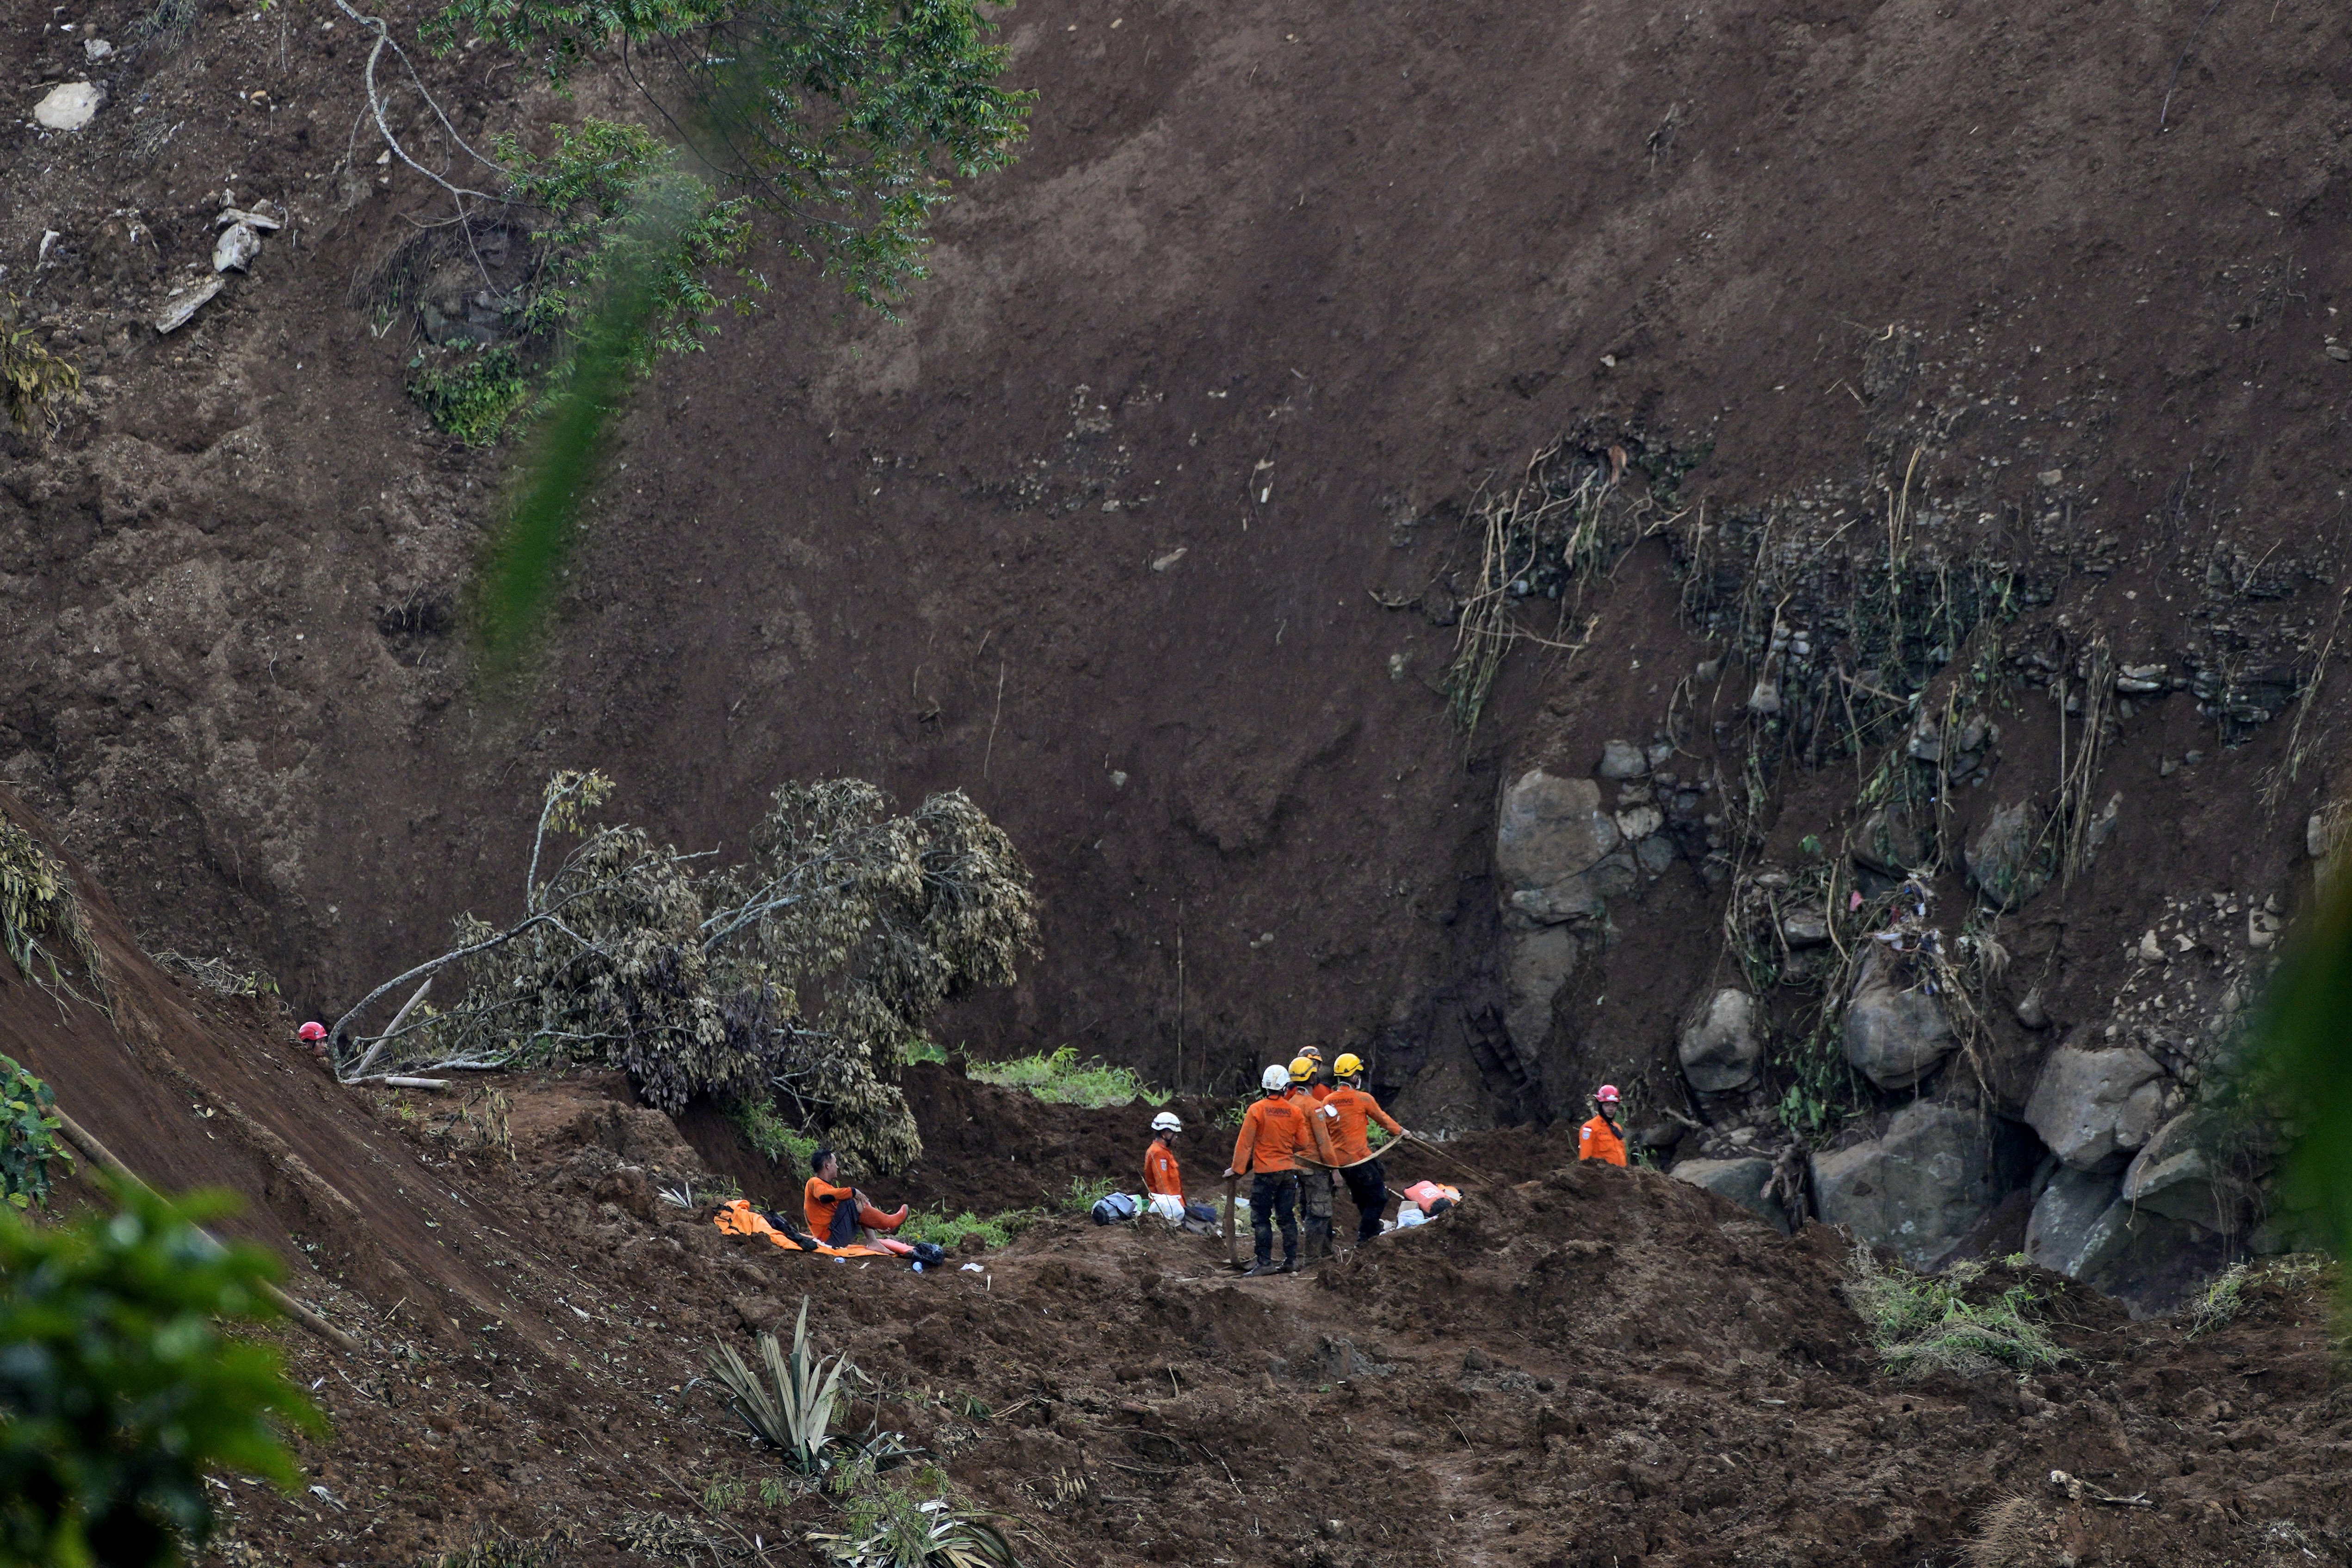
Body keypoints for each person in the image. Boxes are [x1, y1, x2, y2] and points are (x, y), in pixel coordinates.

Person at [1225, 1062, 1338, 1276]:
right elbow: (1303, 1143)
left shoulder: (1256, 1109)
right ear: (1287, 1087)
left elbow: (1245, 1143)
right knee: (1286, 1217)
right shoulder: (1294, 1112)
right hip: (1288, 1171)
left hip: (1266, 1173)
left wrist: (1237, 1169)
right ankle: (1291, 1261)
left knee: (1261, 1217)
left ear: (1265, 1087)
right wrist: (1285, 1148)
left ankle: (1265, 1263)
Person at [1316, 1053, 1412, 1245]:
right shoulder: (1363, 1099)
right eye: (1358, 1074)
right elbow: (1383, 1119)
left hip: (1341, 1164)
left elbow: (1322, 1134)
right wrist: (1403, 1132)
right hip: (1360, 1160)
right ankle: (1365, 1237)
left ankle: (1373, 1230)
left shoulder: (1327, 1101)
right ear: (1353, 1077)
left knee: (1362, 1198)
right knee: (1378, 1198)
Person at [1285, 1056, 1342, 1261]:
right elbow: (1324, 1142)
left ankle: (1326, 1252)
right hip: (1315, 1167)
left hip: (1296, 1166)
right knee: (1320, 1211)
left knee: (1308, 1207)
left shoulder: (1291, 1103)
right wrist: (1335, 1170)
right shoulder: (1314, 1106)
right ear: (1311, 1077)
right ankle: (1312, 1258)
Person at [803, 1148, 908, 1247]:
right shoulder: (814, 1182)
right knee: (851, 1200)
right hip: (829, 1239)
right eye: (835, 1163)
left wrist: (875, 1226)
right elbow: (823, 1196)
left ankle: (874, 1240)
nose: (837, 1167)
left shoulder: (827, 1186)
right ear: (827, 1166)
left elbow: (847, 1214)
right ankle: (887, 1223)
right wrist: (853, 1191)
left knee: (854, 1203)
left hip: (833, 1237)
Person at [1143, 1110, 1186, 1222]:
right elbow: (1162, 1185)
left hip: (1173, 1207)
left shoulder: (1163, 1151)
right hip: (1167, 1210)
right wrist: (1171, 1211)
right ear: (1165, 1134)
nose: (1176, 1137)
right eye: (1174, 1134)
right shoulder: (1158, 1153)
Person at [1578, 1085, 1629, 1167]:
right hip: (1602, 1177)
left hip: (1621, 1176)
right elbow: (1585, 1162)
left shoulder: (1617, 1128)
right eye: (1607, 1105)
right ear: (1600, 1106)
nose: (1611, 1109)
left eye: (1614, 1105)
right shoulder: (1589, 1128)